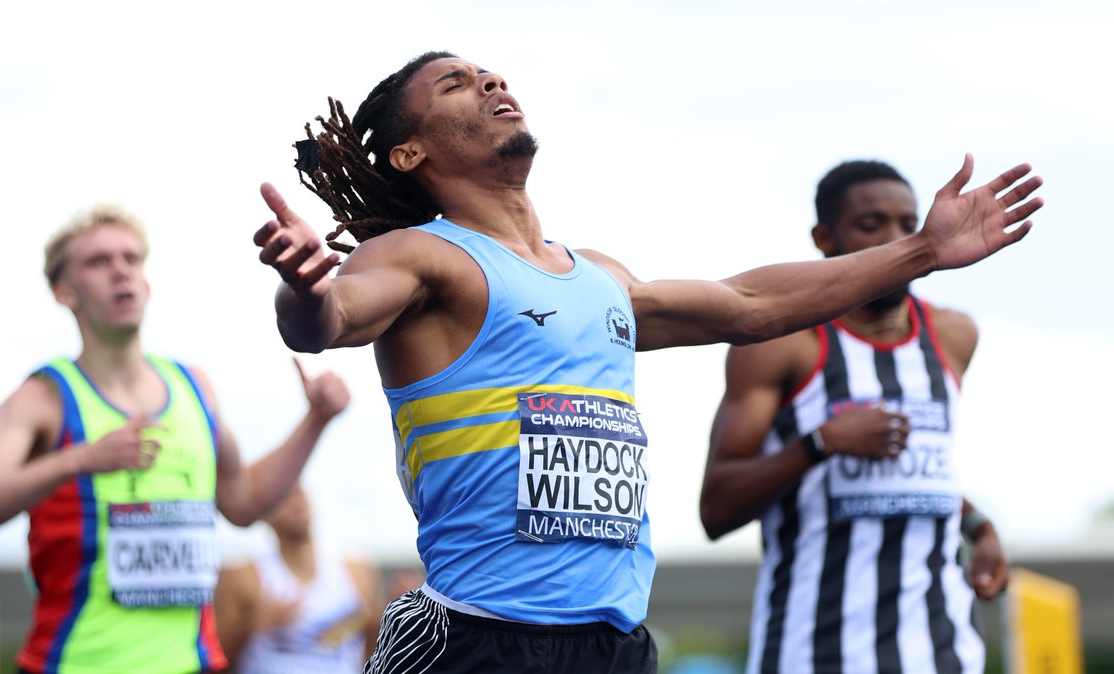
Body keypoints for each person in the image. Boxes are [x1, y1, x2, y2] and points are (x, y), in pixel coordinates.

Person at [250, 52, 1041, 673]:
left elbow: (750, 305)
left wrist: (924, 251)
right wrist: (303, 286)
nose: (490, 80)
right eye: (455, 84)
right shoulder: (424, 257)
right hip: (479, 638)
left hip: (614, 642)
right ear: (410, 149)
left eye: (490, 72)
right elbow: (328, 320)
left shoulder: (600, 277)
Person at [0, 204, 351, 674]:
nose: (121, 271)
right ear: (63, 292)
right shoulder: (44, 399)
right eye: (98, 262)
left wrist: (316, 420)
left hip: (194, 663)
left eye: (132, 259)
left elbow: (243, 503)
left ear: (148, 281)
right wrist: (79, 460)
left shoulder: (194, 388)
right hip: (77, 663)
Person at [698, 160, 1010, 674]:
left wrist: (978, 525)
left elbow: (913, 470)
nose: (895, 239)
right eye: (872, 225)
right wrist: (820, 443)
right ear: (825, 237)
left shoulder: (954, 336)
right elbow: (716, 510)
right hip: (813, 653)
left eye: (908, 224)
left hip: (945, 651)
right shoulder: (780, 345)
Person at [214, 484, 382, 673]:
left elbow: (375, 649)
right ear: (264, 512)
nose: (297, 501)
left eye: (301, 493)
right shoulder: (243, 577)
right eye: (286, 496)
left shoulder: (357, 571)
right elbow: (216, 658)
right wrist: (252, 627)